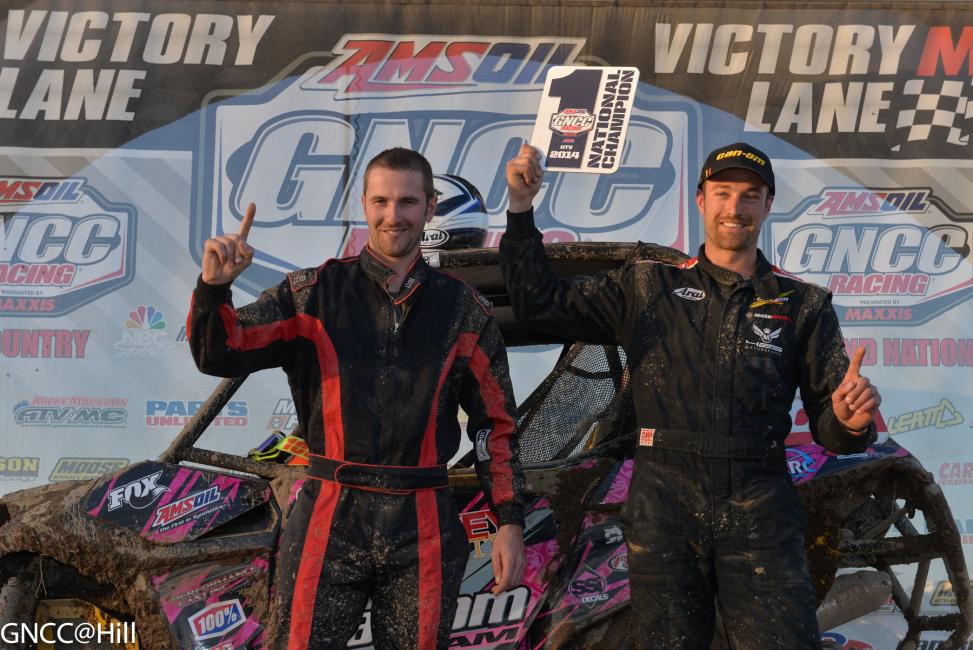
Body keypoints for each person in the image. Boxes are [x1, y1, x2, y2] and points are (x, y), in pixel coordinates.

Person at [500, 142, 880, 649]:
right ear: (700, 200)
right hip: (664, 503)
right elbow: (539, 307)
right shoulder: (647, 284)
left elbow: (835, 430)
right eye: (723, 193)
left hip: (760, 503)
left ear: (768, 206)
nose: (735, 207)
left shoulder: (803, 303)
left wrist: (851, 423)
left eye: (750, 195)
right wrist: (521, 211)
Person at [188, 147, 526, 649]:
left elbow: (494, 426)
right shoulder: (312, 294)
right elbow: (223, 351)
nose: (394, 216)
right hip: (329, 513)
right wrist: (214, 290)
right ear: (364, 205)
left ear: (430, 207)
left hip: (424, 522)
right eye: (382, 202)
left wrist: (510, 521)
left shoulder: (464, 310)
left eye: (408, 202)